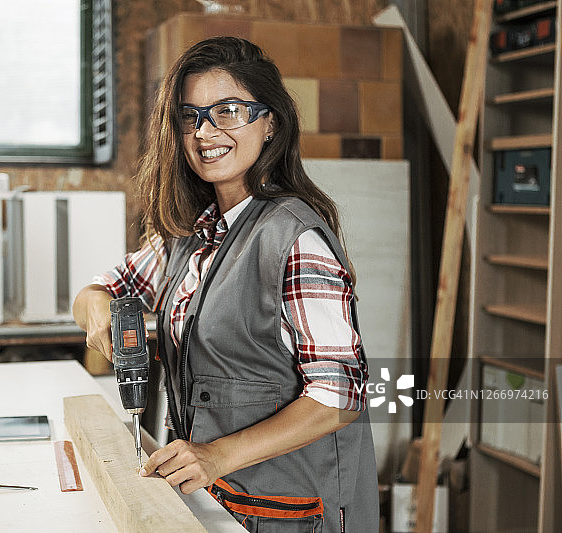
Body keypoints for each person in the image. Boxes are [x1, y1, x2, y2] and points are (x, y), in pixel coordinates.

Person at [73, 36, 377, 533]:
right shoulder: (191, 232)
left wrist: (215, 456)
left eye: (228, 111)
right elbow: (102, 289)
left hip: (291, 514)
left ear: (270, 121)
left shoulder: (295, 239)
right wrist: (98, 311)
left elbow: (339, 396)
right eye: (190, 116)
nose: (205, 131)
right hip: (214, 505)